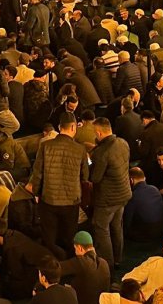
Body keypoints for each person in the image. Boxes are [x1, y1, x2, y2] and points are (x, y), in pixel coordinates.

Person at [29, 113, 89, 256]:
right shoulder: (80, 149)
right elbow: (85, 177)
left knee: (50, 240)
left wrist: (36, 193)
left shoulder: (45, 146)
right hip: (71, 201)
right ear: (73, 127)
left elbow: (37, 174)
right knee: (68, 239)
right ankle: (68, 266)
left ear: (59, 127)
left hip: (49, 201)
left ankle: (52, 271)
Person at [88, 117, 131, 270]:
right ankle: (118, 259)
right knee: (116, 226)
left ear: (99, 133)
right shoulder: (123, 143)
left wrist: (88, 161)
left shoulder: (101, 153)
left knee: (101, 228)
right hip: (123, 194)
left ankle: (108, 265)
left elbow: (94, 177)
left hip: (107, 199)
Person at [58, 232, 111, 304]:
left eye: (75, 249)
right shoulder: (104, 263)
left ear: (80, 248)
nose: (75, 252)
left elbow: (55, 268)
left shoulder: (81, 262)